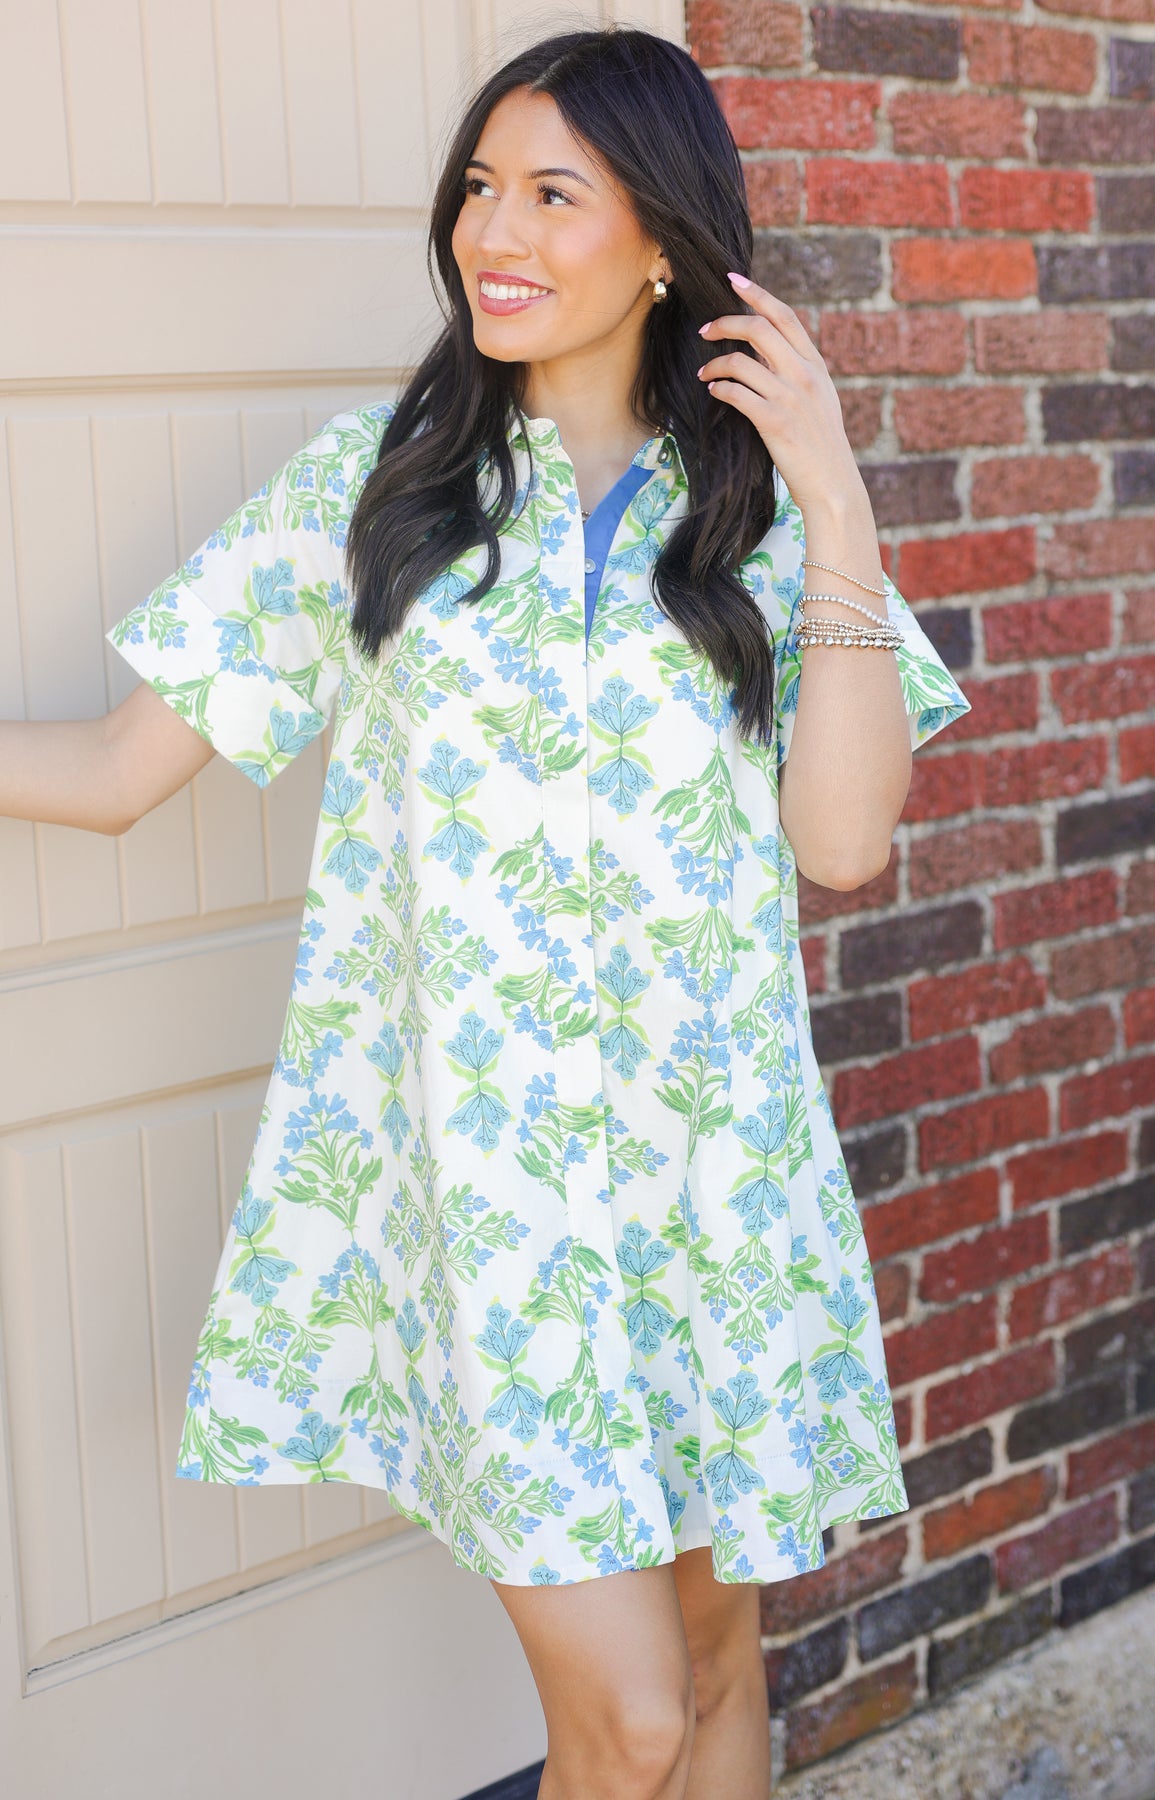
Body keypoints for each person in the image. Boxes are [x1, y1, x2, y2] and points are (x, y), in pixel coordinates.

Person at [0, 24, 972, 1800]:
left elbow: (842, 843)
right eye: (476, 189)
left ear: (666, 240)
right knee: (630, 1724)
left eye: (550, 194)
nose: (490, 233)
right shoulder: (384, 493)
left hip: (717, 1189)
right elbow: (118, 765)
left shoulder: (758, 520)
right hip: (494, 1197)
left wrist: (835, 495)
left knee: (715, 1657)